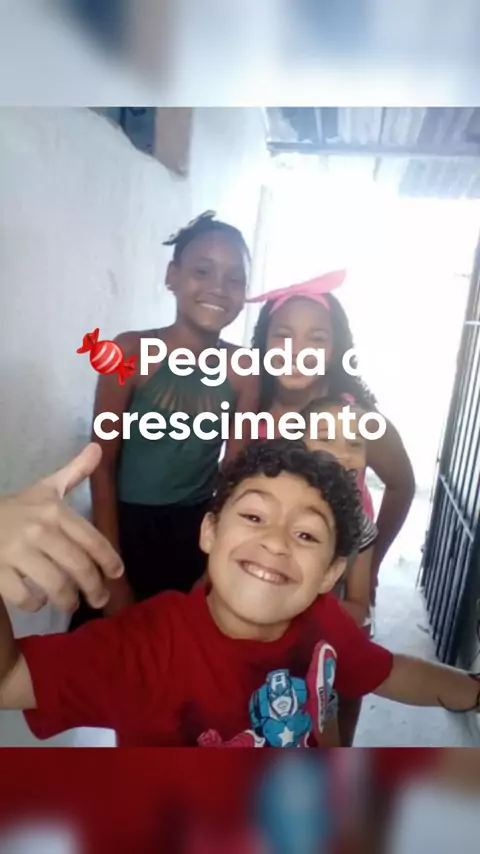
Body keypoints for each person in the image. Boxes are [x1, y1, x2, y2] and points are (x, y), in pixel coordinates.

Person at [0, 440, 479, 749]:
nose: (276, 541)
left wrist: (473, 691)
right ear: (209, 531)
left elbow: (388, 671)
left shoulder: (324, 622)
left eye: (306, 534)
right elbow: (10, 682)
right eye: (253, 516)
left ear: (330, 573)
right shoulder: (144, 645)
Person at [72, 211, 258, 628]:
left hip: (195, 532)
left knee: (176, 644)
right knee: (105, 646)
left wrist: (214, 562)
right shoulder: (129, 352)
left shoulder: (243, 371)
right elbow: (100, 462)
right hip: (122, 527)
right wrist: (112, 569)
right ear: (172, 276)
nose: (218, 287)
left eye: (234, 279)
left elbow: (234, 473)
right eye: (202, 271)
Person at [248, 274, 415, 615]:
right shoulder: (251, 405)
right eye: (283, 335)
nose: (297, 351)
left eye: (317, 338)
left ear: (336, 348)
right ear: (263, 340)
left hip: (334, 571)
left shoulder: (354, 417)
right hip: (268, 560)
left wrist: (370, 563)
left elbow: (402, 484)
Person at [301, 395, 377, 746]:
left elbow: (360, 606)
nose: (343, 454)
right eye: (325, 438)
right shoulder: (271, 508)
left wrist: (297, 609)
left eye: (355, 443)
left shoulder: (360, 524)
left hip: (316, 662)